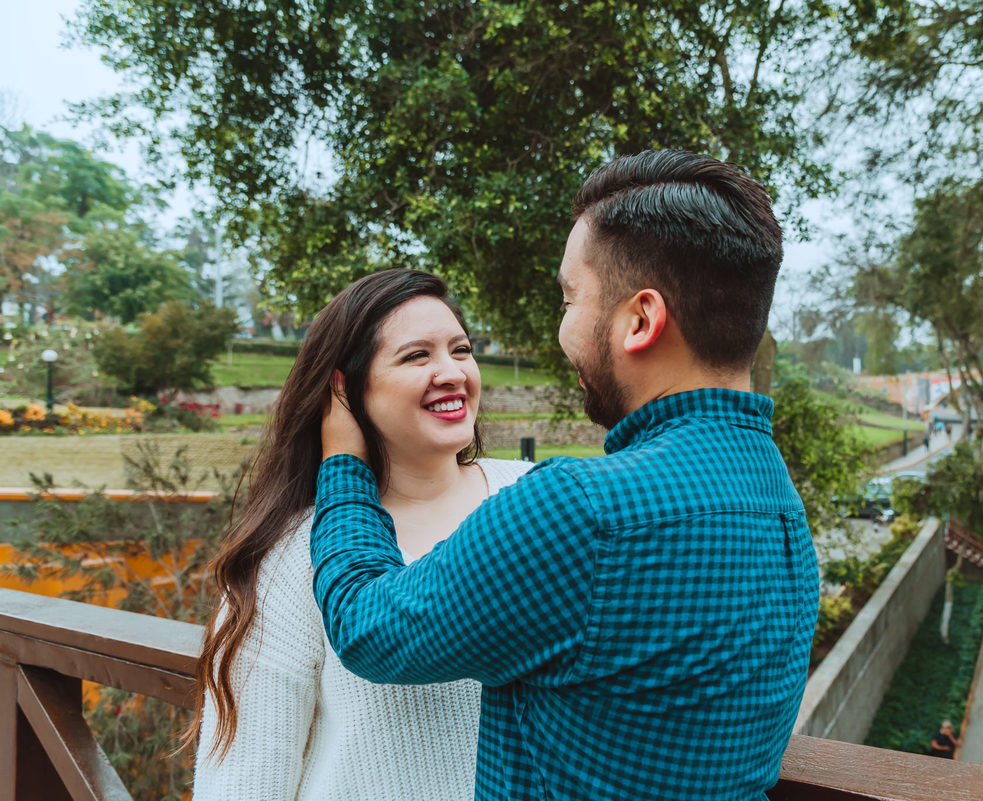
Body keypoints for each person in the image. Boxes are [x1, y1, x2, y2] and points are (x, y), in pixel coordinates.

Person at [312, 149, 820, 800]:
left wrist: (343, 464)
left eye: (570, 296)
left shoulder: (582, 512)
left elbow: (367, 626)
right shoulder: (778, 498)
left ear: (641, 319)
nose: (563, 329)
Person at [188, 269, 532, 800]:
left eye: (461, 349)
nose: (452, 372)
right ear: (342, 390)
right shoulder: (292, 556)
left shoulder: (536, 497)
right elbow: (246, 777)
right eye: (417, 356)